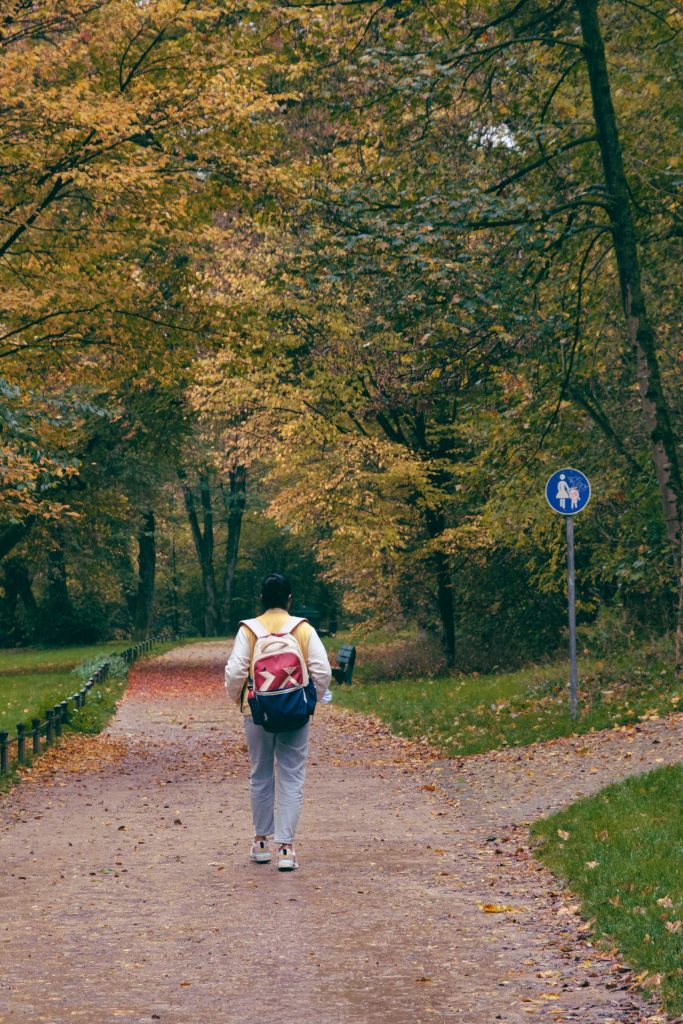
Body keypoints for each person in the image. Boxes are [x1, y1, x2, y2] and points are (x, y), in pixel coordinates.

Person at [225, 573, 332, 871]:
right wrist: (311, 701)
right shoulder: (302, 629)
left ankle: (261, 842)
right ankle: (286, 848)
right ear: (289, 599)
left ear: (261, 599)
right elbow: (322, 671)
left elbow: (234, 673)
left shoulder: (248, 630)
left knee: (260, 773)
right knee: (291, 776)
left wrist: (239, 700)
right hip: (296, 711)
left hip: (257, 710)